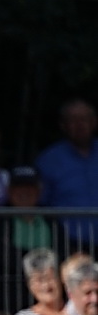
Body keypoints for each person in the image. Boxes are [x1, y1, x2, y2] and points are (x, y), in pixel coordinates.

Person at [35, 100, 98, 244]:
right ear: (63, 125)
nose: (80, 125)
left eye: (84, 119)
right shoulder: (48, 160)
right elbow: (39, 203)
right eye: (73, 120)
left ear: (94, 122)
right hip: (69, 243)